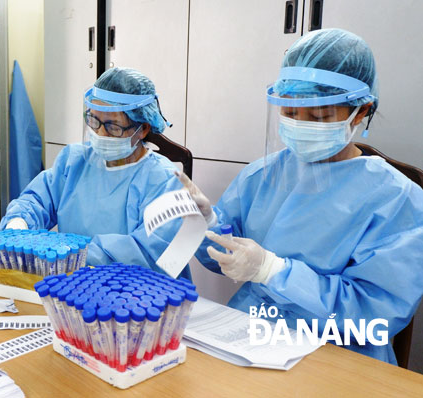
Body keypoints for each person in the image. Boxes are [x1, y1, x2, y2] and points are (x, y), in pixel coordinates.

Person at [181, 29, 423, 364]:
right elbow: (221, 259)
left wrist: (273, 271)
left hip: (339, 355)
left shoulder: (396, 199)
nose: (300, 124)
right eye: (291, 113)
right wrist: (206, 223)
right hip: (245, 337)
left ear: (361, 110)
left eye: (319, 115)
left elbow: (374, 317)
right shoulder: (262, 174)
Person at [0, 67, 190, 279]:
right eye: (94, 120)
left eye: (113, 126)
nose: (100, 133)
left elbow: (148, 252)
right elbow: (36, 201)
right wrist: (19, 222)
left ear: (143, 129)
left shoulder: (164, 180)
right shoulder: (74, 161)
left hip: (135, 296)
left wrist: (72, 255)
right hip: (73, 286)